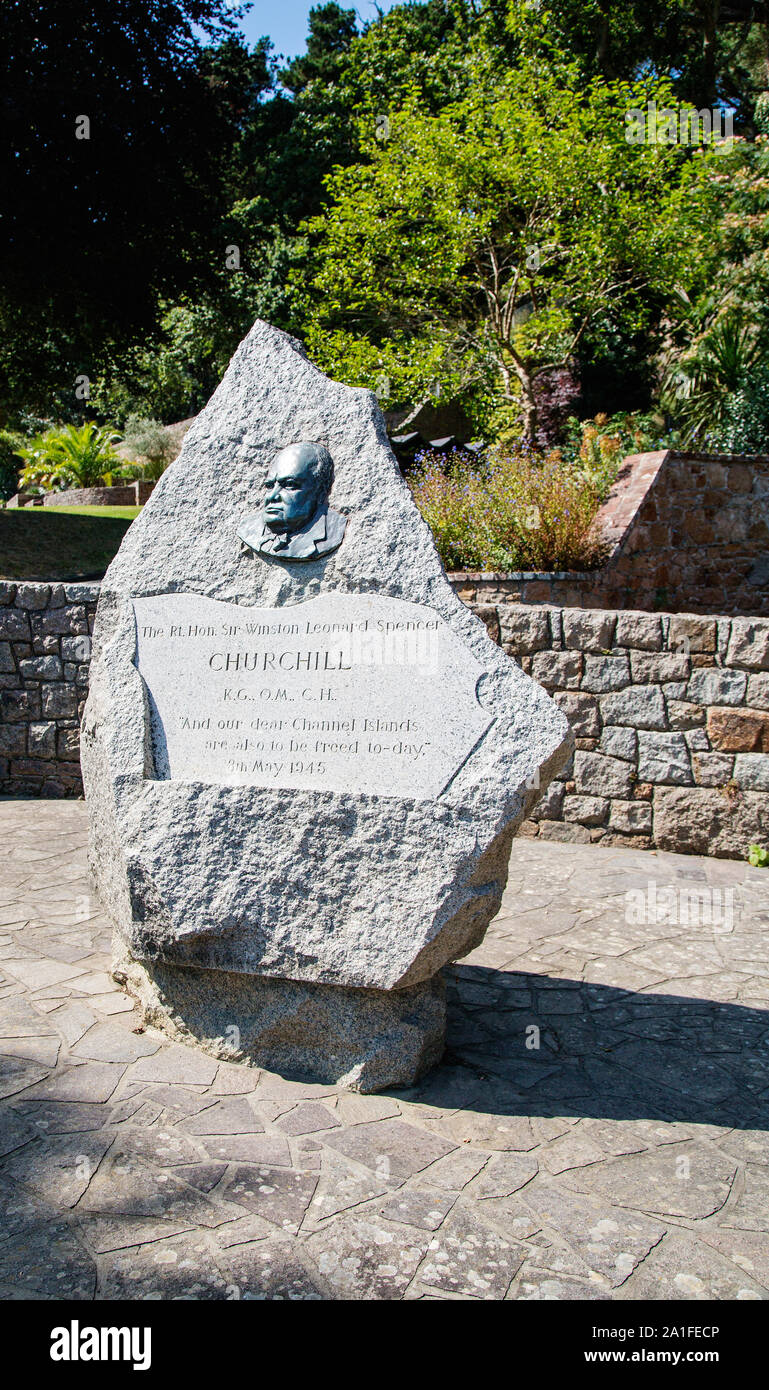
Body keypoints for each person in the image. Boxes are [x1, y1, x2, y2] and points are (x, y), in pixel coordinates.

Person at [238, 441, 347, 563]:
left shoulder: (334, 529)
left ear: (320, 491)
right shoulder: (248, 528)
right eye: (269, 486)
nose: (272, 496)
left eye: (289, 485)